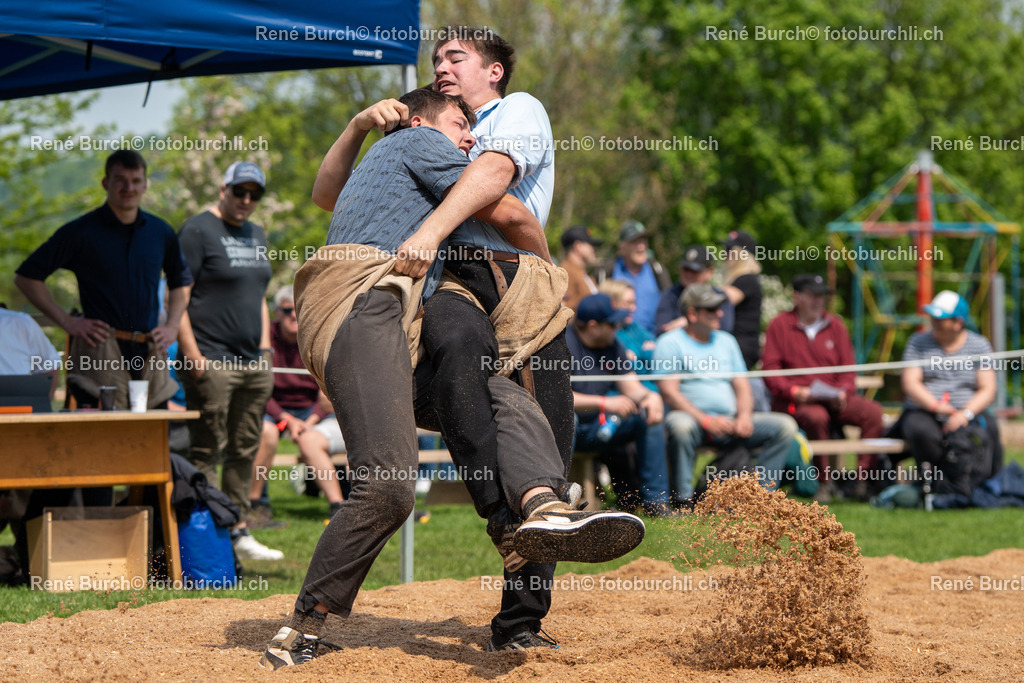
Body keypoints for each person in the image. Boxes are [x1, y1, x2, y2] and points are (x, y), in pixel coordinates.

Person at [262, 87, 643, 669]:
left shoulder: (389, 171)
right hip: (362, 305)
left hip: (391, 321)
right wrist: (546, 278)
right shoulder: (416, 143)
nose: (469, 138)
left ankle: (540, 507)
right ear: (419, 122)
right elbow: (510, 212)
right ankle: (301, 631)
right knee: (388, 483)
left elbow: (322, 194)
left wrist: (357, 127)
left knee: (500, 399)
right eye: (460, 125)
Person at [14, 149, 192, 409]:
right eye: (120, 180)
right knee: (102, 430)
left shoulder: (160, 231)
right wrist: (67, 322)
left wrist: (172, 326)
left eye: (136, 180)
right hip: (99, 351)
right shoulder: (81, 232)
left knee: (153, 430)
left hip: (150, 351)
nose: (128, 187)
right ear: (106, 183)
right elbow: (27, 277)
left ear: (145, 185)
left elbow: (181, 281)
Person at [176, 161, 280, 562]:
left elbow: (258, 296)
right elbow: (177, 297)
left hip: (253, 363)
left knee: (245, 448)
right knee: (206, 450)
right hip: (211, 360)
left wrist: (266, 350)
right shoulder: (197, 230)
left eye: (254, 194)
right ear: (223, 189)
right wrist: (192, 355)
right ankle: (206, 534)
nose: (246, 200)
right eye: (240, 191)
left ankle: (237, 528)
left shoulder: (257, 233)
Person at [654, 283, 798, 505]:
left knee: (785, 426)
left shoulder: (727, 341)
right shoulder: (669, 342)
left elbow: (742, 386)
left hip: (731, 420)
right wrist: (706, 420)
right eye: (711, 309)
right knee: (680, 426)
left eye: (719, 308)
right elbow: (669, 393)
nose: (720, 313)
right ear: (692, 314)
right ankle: (683, 500)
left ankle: (760, 498)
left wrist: (744, 417)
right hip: (692, 420)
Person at [762, 274, 885, 494]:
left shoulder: (836, 325)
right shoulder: (779, 325)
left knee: (873, 412)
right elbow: (770, 371)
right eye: (813, 295)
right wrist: (793, 391)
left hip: (834, 397)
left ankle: (862, 480)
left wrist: (843, 393)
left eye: (822, 296)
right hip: (798, 400)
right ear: (796, 297)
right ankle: (822, 481)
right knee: (816, 417)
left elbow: (848, 369)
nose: (819, 301)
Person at [893, 290, 1000, 500]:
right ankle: (933, 486)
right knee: (922, 431)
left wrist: (965, 414)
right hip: (924, 411)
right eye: (932, 316)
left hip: (967, 412)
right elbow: (910, 382)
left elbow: (988, 388)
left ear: (958, 323)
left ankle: (985, 485)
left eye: (940, 318)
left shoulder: (979, 345)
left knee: (989, 429)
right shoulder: (917, 342)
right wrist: (935, 406)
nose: (933, 321)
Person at [568, 293, 670, 513]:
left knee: (648, 418)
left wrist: (650, 397)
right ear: (593, 326)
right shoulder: (563, 345)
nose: (618, 327)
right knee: (569, 419)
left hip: (603, 426)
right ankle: (557, 499)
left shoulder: (612, 344)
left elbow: (631, 387)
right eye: (612, 323)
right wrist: (605, 403)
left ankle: (656, 503)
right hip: (570, 430)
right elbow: (559, 398)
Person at [249, 285, 337, 528]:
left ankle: (345, 505)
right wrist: (285, 419)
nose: (294, 315)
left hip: (311, 411)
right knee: (265, 433)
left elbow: (327, 389)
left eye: (299, 309)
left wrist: (311, 420)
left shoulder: (317, 336)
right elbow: (258, 389)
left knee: (350, 431)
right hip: (272, 409)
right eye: (288, 310)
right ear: (277, 312)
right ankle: (257, 505)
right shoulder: (264, 338)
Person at [595, 220, 671, 335]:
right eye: (635, 242)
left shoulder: (657, 270)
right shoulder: (607, 271)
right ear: (622, 247)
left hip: (653, 339)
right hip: (617, 338)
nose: (641, 247)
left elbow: (669, 304)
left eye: (643, 241)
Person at [654, 244, 735, 335]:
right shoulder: (670, 295)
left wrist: (686, 322)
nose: (688, 275)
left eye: (695, 271)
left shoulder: (719, 297)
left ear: (709, 272)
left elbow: (725, 328)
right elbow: (662, 330)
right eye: (686, 269)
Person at [721, 230, 763, 369]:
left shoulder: (747, 279)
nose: (725, 254)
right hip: (738, 346)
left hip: (740, 348)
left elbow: (719, 302)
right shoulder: (744, 280)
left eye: (729, 250)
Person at [560, 224, 602, 311]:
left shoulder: (582, 273)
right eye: (591, 245)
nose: (594, 249)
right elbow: (565, 310)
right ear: (578, 246)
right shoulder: (565, 273)